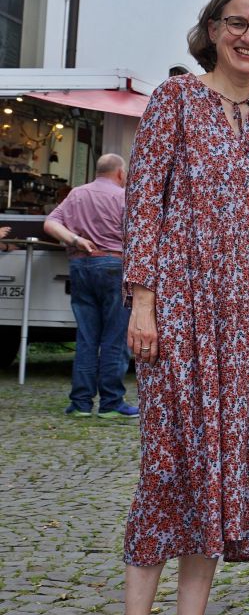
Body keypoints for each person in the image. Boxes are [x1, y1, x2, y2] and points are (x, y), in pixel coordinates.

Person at [121, 0, 249, 615]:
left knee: (222, 480)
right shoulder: (175, 98)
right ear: (214, 29)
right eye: (239, 23)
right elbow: (143, 203)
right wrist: (143, 301)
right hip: (181, 310)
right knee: (168, 470)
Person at [44, 153, 138, 419]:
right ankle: (111, 403)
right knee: (114, 338)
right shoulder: (123, 197)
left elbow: (50, 223)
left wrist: (75, 239)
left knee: (86, 337)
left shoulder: (76, 194)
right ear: (120, 173)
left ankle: (81, 403)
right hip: (113, 266)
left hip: (80, 267)